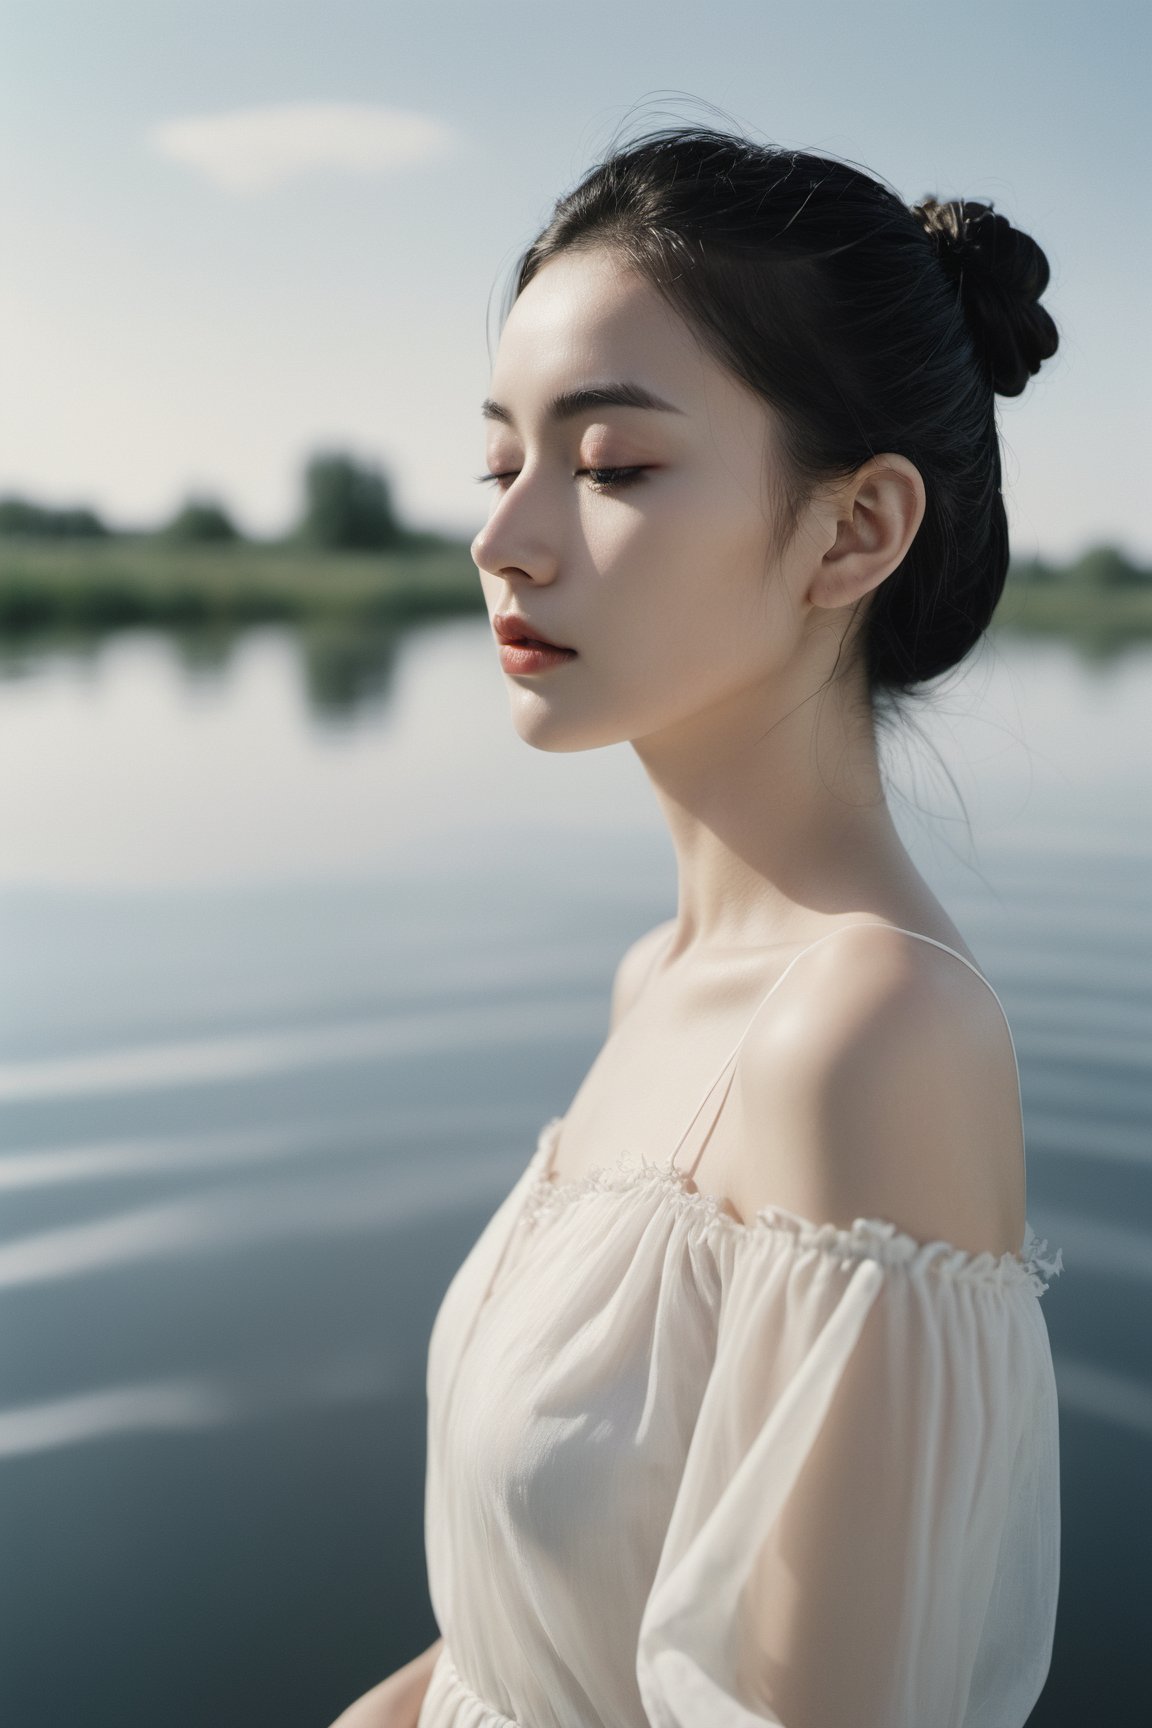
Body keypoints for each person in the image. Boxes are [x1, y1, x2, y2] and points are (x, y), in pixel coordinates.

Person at [330, 125, 1065, 1728]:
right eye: (499, 460)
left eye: (610, 470)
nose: (504, 537)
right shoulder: (657, 984)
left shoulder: (871, 1036)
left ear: (856, 532)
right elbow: (514, 1654)